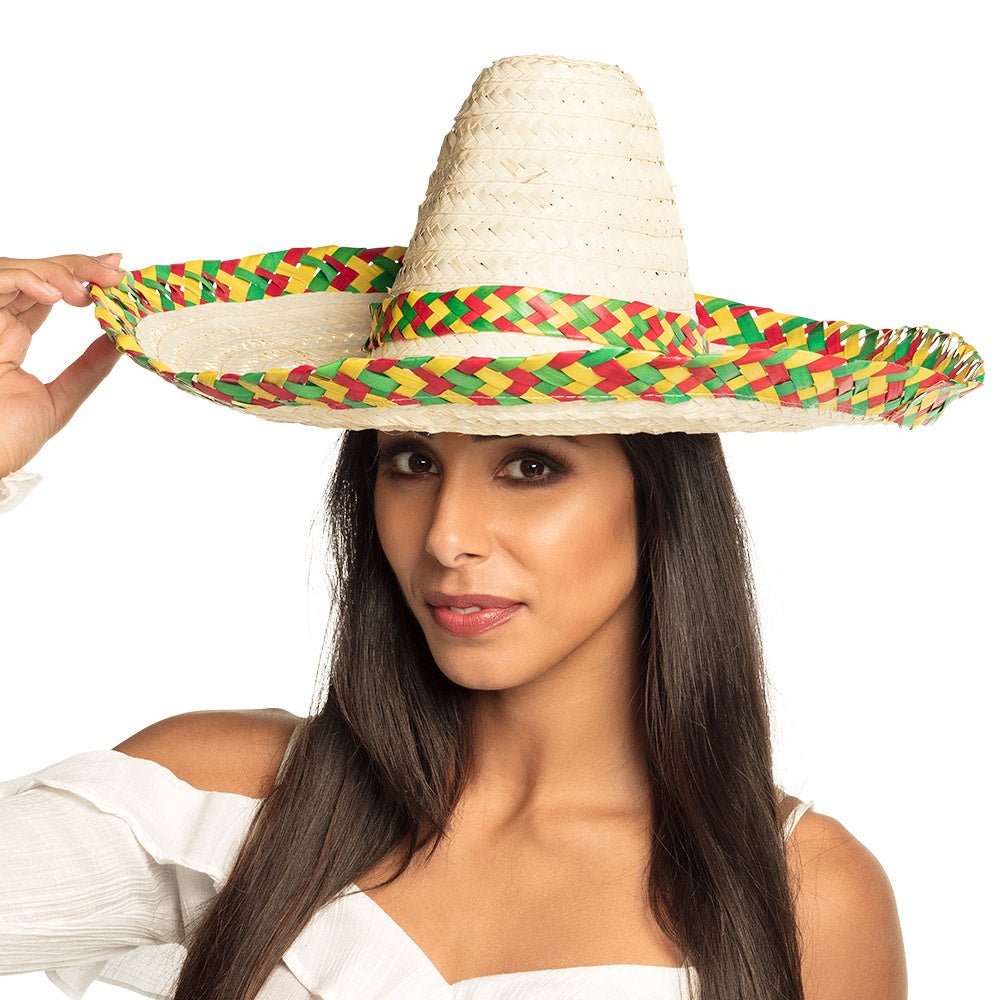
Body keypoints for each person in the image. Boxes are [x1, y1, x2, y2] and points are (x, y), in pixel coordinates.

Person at [7, 50, 966, 999]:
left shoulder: (803, 894)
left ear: (660, 498)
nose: (446, 534)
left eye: (531, 465)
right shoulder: (219, 800)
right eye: (412, 462)